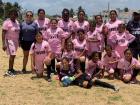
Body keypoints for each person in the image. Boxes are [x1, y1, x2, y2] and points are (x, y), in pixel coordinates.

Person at [2, 8, 20, 76]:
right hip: (9, 41)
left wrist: (19, 41)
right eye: (12, 14)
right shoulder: (7, 22)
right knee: (12, 55)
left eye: (15, 14)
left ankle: (12, 69)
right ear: (9, 15)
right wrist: (3, 43)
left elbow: (18, 32)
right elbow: (3, 33)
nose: (13, 16)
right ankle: (9, 71)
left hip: (15, 41)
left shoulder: (17, 22)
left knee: (14, 55)